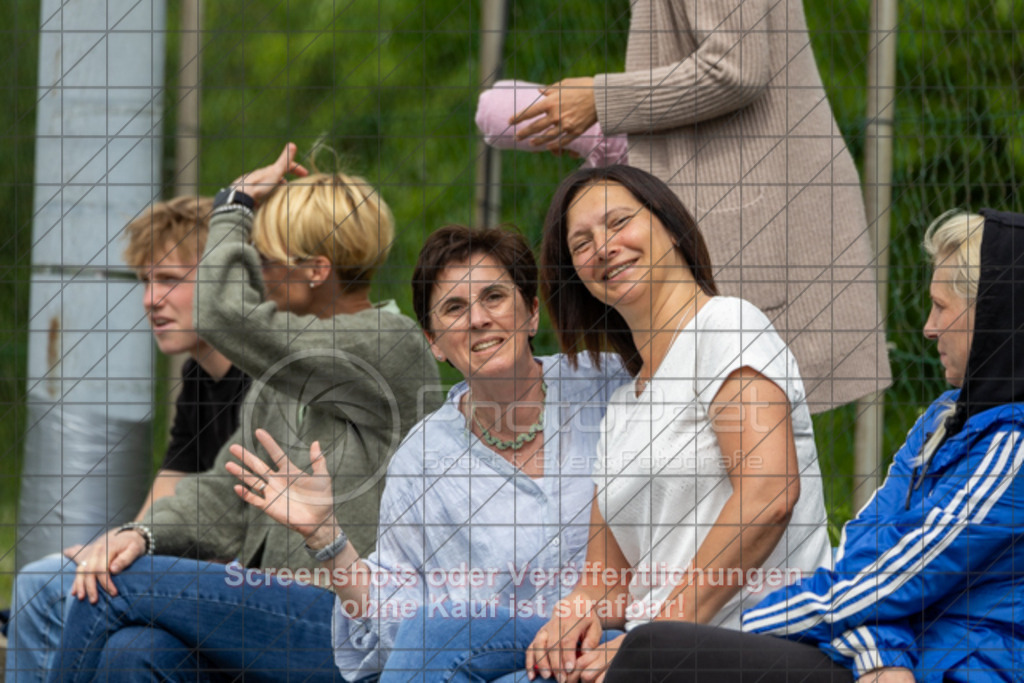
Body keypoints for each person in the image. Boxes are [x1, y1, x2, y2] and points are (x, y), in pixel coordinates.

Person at [47, 143, 439, 682]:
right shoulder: (281, 382)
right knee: (134, 651)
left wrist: (233, 204)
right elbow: (228, 495)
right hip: (267, 614)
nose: (255, 272)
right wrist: (142, 533)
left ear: (316, 270)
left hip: (350, 621)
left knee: (114, 588)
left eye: (266, 259)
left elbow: (220, 312)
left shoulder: (389, 345)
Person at [605, 210, 1024, 683]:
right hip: (894, 661)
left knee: (653, 649)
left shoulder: (1015, 449)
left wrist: (752, 625)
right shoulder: (942, 419)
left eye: (942, 307)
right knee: (628, 651)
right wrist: (880, 657)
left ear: (993, 313)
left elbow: (893, 580)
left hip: (962, 669)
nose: (928, 327)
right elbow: (866, 550)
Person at [223, 225, 631, 682]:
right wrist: (326, 538)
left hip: (612, 649)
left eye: (493, 297)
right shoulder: (423, 456)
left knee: (438, 636)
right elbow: (396, 621)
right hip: (505, 666)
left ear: (532, 313)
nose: (477, 319)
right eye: (454, 308)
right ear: (434, 342)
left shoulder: (607, 385)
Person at [527, 165, 832, 681]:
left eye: (618, 222)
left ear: (669, 225)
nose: (602, 248)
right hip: (656, 647)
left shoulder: (728, 325)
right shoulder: (624, 405)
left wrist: (656, 638)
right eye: (581, 244)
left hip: (755, 645)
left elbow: (769, 495)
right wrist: (573, 613)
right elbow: (605, 581)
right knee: (444, 634)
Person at [509, 0, 890, 412]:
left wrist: (601, 100)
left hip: (752, 225)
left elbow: (735, 68)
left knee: (749, 436)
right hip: (742, 218)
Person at [5, 196, 250, 683]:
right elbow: (167, 492)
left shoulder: (267, 377)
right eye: (145, 282)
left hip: (249, 590)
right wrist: (113, 549)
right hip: (194, 575)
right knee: (51, 580)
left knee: (46, 591)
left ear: (224, 277)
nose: (150, 300)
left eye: (170, 281)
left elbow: (244, 538)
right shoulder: (199, 377)